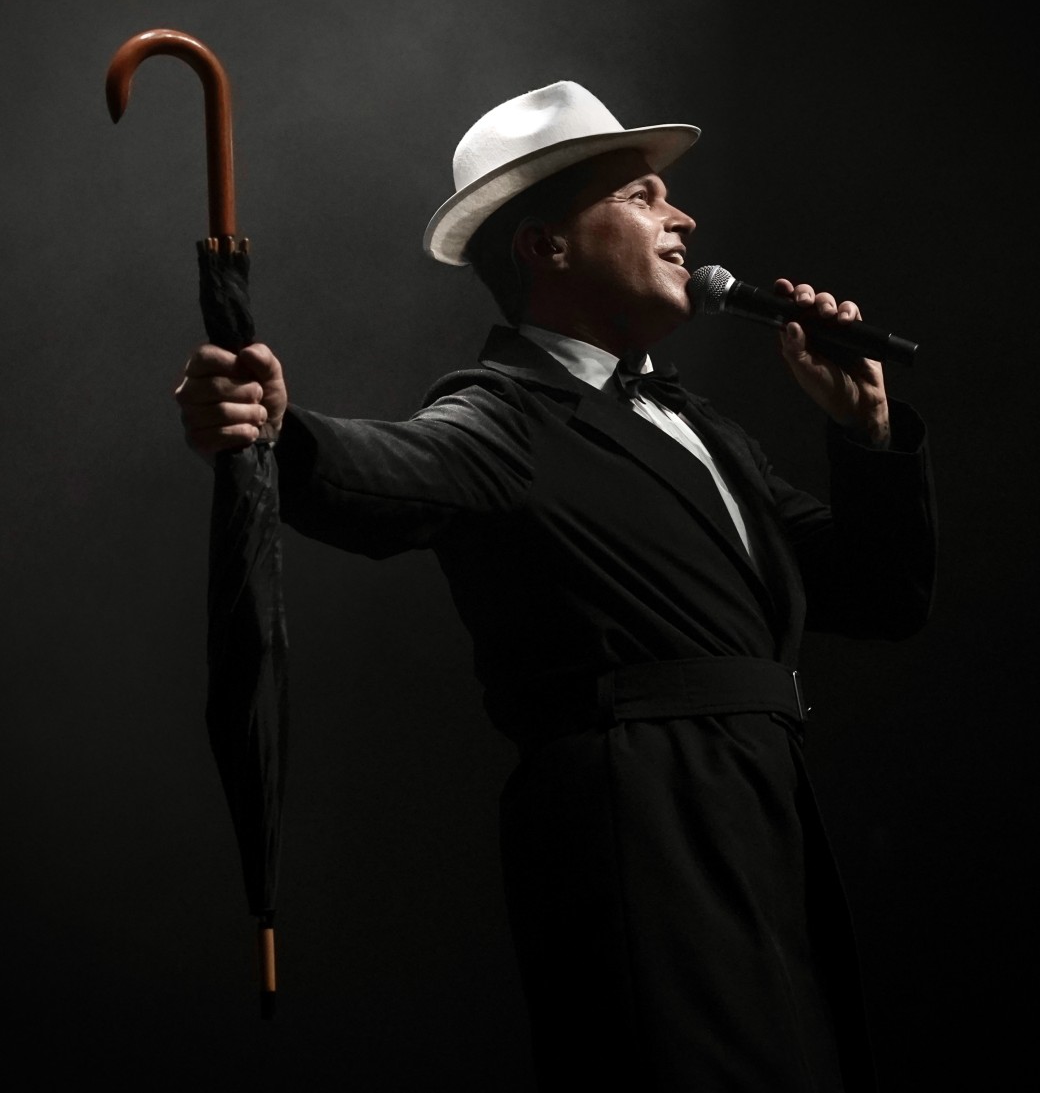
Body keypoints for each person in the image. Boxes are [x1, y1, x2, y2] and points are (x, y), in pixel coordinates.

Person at [175, 81, 936, 1091]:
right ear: (547, 246)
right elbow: (387, 469)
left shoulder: (704, 429)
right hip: (643, 826)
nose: (682, 217)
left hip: (764, 821)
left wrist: (864, 432)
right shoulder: (503, 415)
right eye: (642, 196)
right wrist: (276, 427)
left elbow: (881, 597)